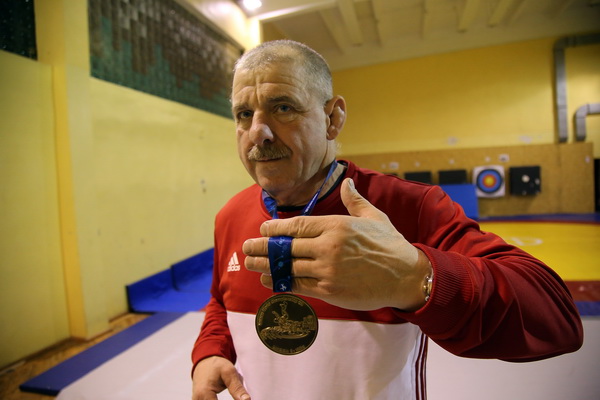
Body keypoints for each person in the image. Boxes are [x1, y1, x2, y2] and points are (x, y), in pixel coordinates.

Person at [191, 40, 583, 400]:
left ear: (332, 118)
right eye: (244, 114)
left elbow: (556, 320)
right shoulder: (230, 215)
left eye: (283, 108)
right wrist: (210, 351)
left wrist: (414, 278)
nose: (258, 132)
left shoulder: (408, 207)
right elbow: (220, 302)